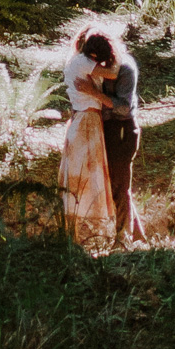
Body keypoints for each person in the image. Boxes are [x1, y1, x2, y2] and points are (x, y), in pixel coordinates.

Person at [59, 26, 117, 245]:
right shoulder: (83, 61)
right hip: (87, 121)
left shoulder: (77, 61)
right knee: (83, 174)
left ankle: (74, 234)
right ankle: (75, 233)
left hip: (85, 119)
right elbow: (112, 73)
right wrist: (117, 56)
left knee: (80, 173)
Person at [98, 35, 146, 245]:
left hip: (123, 130)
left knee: (120, 185)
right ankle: (138, 237)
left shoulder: (125, 68)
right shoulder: (98, 66)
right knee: (114, 185)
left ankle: (123, 237)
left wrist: (96, 97)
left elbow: (123, 107)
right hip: (107, 129)